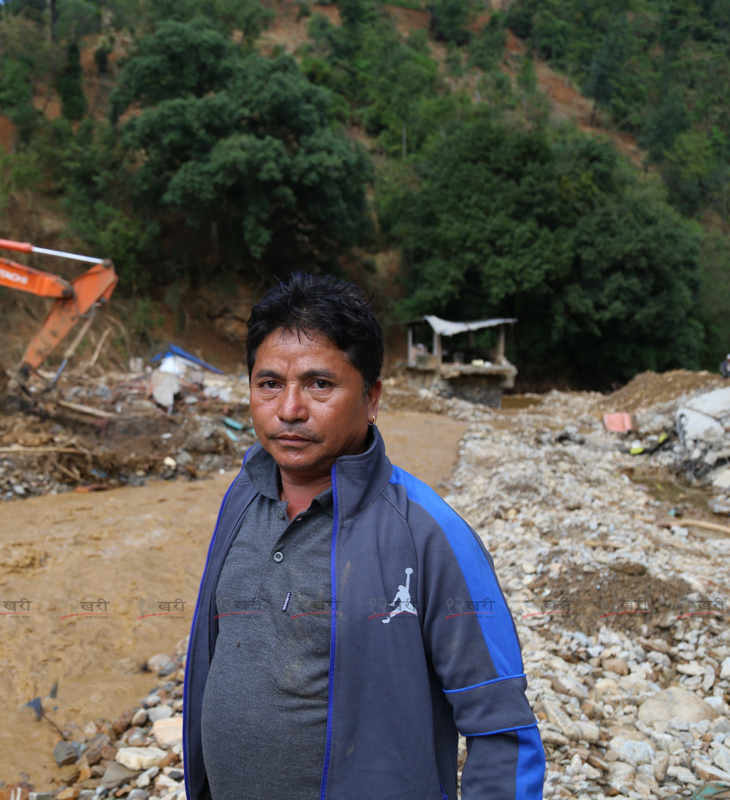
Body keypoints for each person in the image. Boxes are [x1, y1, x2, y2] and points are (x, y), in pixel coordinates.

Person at [183, 274, 544, 800]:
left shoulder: (427, 533)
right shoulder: (242, 497)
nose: (289, 409)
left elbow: (502, 731)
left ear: (372, 398)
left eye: (319, 384)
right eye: (269, 384)